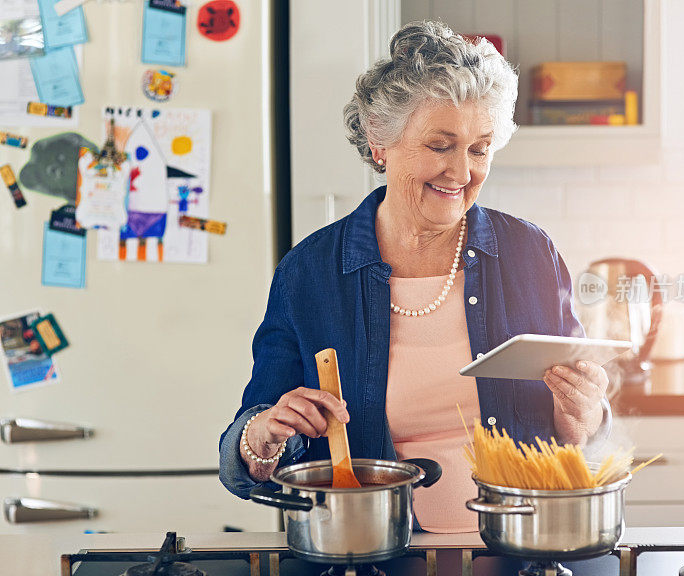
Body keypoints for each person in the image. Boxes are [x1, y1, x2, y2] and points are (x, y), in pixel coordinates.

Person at [219, 20, 611, 533]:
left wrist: (586, 418)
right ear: (381, 143)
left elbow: (584, 432)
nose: (462, 172)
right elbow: (244, 446)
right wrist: (264, 435)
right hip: (371, 547)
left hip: (521, 543)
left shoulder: (530, 254)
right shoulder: (310, 272)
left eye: (479, 149)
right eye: (440, 145)